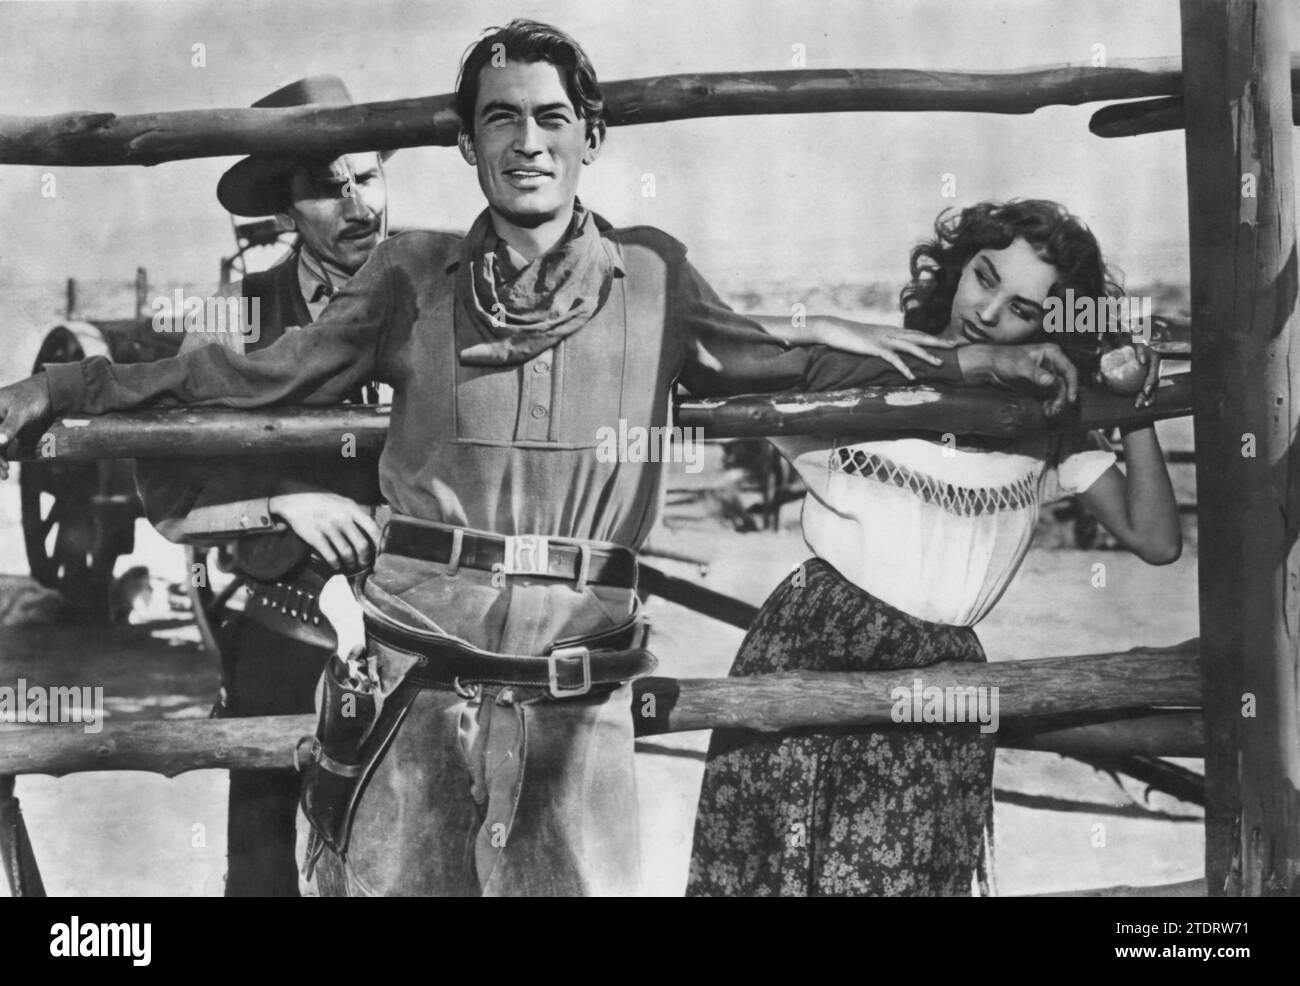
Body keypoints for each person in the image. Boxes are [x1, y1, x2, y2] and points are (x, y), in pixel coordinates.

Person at [0, 24, 1085, 897]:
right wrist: (67, 388)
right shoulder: (408, 276)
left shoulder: (656, 278)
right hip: (416, 679)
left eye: (553, 118)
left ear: (592, 137)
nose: (528, 141)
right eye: (499, 119)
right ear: (468, 146)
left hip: (578, 699)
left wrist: (1005, 360)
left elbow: (792, 361)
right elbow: (246, 381)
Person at [687, 199, 1182, 897]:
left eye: (1024, 309)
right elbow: (725, 356)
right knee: (775, 877)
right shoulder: (873, 370)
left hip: (943, 679)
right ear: (955, 266)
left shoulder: (1041, 422)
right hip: (815, 646)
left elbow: (1156, 539)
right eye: (984, 277)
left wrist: (1135, 404)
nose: (989, 310)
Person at [132, 75, 391, 897]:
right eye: (327, 187)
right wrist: (280, 500)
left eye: (368, 177)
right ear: (286, 206)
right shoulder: (242, 312)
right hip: (284, 620)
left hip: (422, 617)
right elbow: (162, 459)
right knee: (259, 856)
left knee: (419, 841)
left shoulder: (435, 294)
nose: (357, 205)